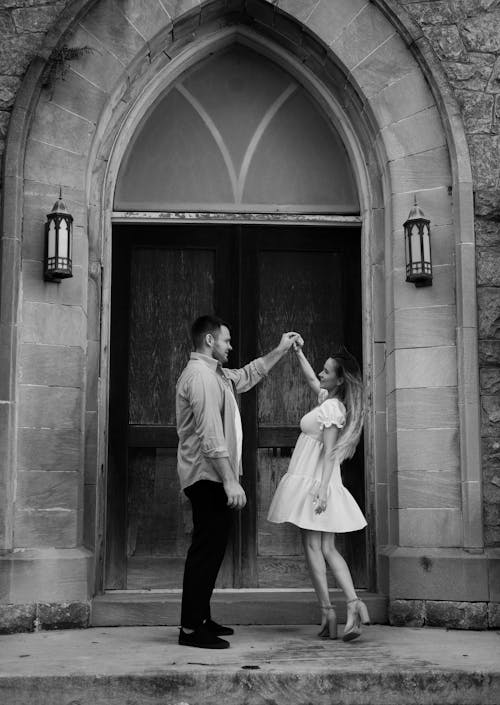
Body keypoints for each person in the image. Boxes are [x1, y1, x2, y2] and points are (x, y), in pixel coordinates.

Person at [176, 315, 299, 649]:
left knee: (213, 550)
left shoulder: (217, 375)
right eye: (226, 341)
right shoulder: (200, 377)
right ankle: (190, 630)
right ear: (209, 341)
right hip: (207, 476)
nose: (231, 346)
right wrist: (231, 481)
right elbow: (211, 436)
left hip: (214, 475)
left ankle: (201, 617)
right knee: (205, 551)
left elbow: (247, 375)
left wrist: (280, 350)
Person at [267, 337, 369, 642]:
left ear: (339, 380)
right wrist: (297, 354)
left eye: (327, 371)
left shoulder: (332, 410)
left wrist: (322, 491)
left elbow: (328, 453)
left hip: (316, 481)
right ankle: (348, 607)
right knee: (325, 548)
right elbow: (312, 379)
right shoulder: (327, 400)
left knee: (315, 547)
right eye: (322, 370)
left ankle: (332, 611)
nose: (321, 375)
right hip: (314, 480)